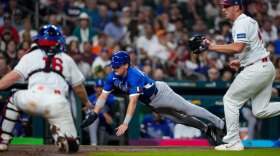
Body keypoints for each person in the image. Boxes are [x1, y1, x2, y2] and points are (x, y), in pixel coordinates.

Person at [81, 51, 226, 145]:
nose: (114, 68)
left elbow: (132, 102)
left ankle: (220, 124)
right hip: (152, 103)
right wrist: (95, 112)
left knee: (188, 109)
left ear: (126, 65)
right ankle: (207, 129)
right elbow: (103, 96)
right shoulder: (112, 76)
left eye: (117, 65)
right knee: (180, 119)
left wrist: (125, 123)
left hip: (161, 94)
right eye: (113, 66)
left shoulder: (134, 75)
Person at [0, 24, 92, 153]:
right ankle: (61, 135)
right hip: (58, 103)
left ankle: (3, 140)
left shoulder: (30, 56)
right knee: (73, 148)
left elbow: (11, 78)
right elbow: (79, 89)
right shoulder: (66, 59)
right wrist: (87, 102)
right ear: (58, 42)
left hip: (32, 97)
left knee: (13, 97)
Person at [204, 0, 280, 151]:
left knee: (230, 100)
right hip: (264, 65)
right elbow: (253, 45)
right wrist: (242, 62)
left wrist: (212, 46)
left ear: (237, 7)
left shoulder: (241, 23)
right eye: (223, 6)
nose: (223, 9)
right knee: (260, 110)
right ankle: (234, 141)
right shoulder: (249, 21)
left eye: (227, 6)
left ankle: (233, 142)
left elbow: (238, 47)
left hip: (257, 68)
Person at [86, 79, 116, 145]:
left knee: (103, 140)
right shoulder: (90, 98)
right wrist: (103, 114)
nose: (99, 89)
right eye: (98, 87)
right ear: (94, 88)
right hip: (88, 125)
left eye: (101, 87)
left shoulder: (109, 96)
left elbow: (114, 101)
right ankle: (93, 143)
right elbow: (89, 112)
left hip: (104, 124)